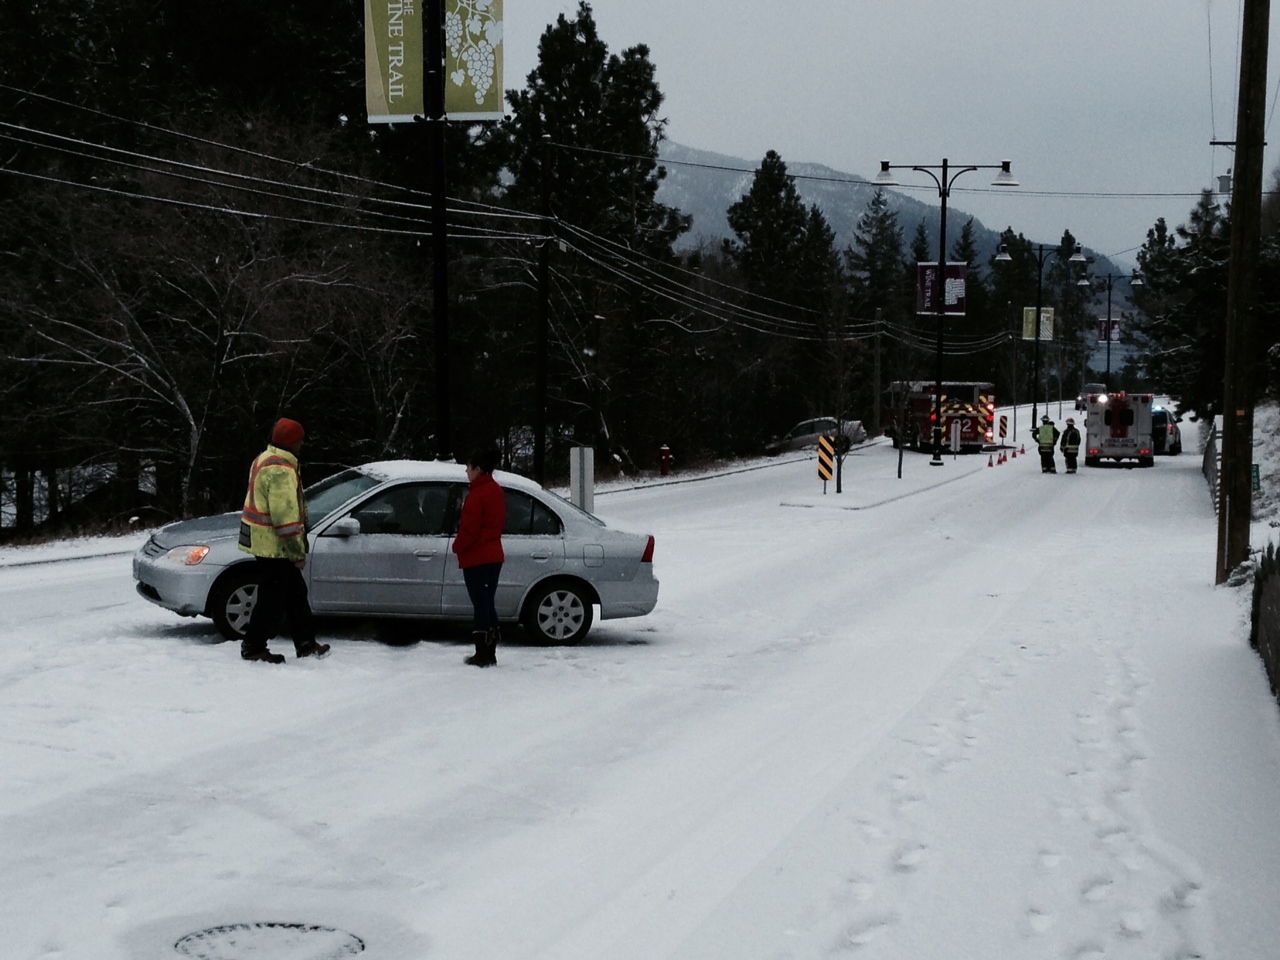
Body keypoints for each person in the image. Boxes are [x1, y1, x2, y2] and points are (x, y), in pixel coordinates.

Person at [237, 417, 330, 663]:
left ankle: (306, 643)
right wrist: (297, 554)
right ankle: (254, 646)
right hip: (275, 546)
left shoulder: (263, 459)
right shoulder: (282, 470)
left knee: (294, 594)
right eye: (300, 441)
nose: (302, 445)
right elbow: (285, 519)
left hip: (264, 542)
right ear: (292, 442)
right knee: (272, 599)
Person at [452, 449, 506, 667]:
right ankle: (490, 648)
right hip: (494, 555)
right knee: (487, 602)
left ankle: (482, 652)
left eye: (469, 467)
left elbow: (470, 531)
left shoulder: (476, 496)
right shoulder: (496, 490)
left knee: (480, 605)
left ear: (478, 469)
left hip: (477, 558)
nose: (467, 471)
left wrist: (457, 546)